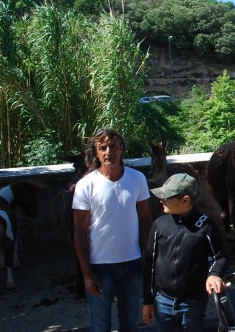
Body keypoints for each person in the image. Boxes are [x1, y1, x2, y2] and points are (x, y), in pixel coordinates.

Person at [72, 128, 152, 332]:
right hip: (99, 266)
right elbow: (79, 232)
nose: (109, 152)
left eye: (114, 146)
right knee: (100, 327)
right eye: (103, 148)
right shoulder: (85, 185)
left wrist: (148, 257)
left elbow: (145, 219)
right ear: (96, 153)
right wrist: (87, 274)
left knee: (130, 325)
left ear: (122, 149)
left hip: (132, 263)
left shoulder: (137, 179)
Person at [142, 173, 228, 332]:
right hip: (163, 302)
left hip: (192, 303)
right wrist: (147, 301)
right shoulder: (159, 225)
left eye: (167, 197)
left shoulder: (206, 226)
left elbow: (220, 257)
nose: (161, 200)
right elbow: (150, 264)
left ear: (186, 200)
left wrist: (214, 274)